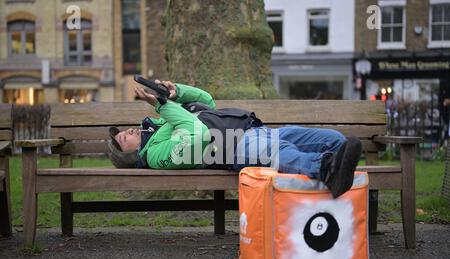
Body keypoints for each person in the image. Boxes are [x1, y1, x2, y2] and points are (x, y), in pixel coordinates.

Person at [108, 80, 362, 198]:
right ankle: (325, 169)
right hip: (233, 147)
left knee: (333, 140)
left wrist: (178, 92)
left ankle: (345, 180)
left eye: (126, 130)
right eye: (124, 138)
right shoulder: (156, 155)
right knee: (279, 151)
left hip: (254, 129)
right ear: (130, 155)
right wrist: (164, 105)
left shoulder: (162, 123)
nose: (129, 132)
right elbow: (200, 134)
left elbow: (206, 103)